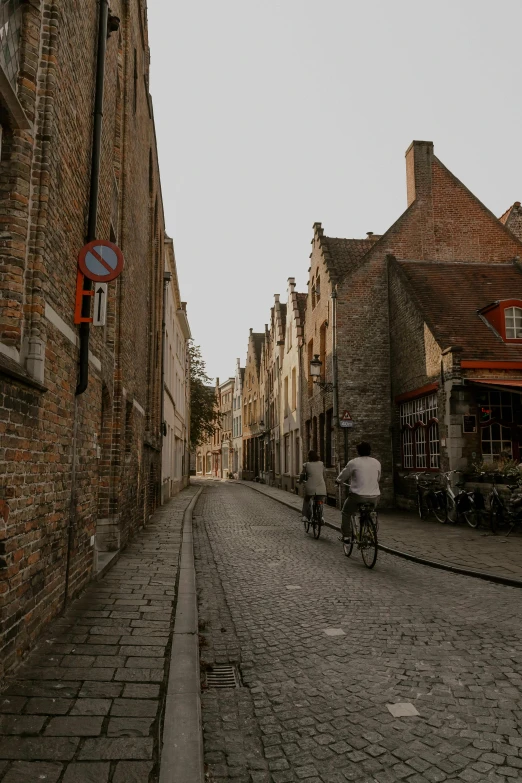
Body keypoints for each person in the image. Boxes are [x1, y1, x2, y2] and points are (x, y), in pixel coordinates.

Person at [336, 442, 381, 541]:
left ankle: (347, 536)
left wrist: (338, 481)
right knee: (369, 511)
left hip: (358, 495)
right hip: (374, 496)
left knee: (346, 513)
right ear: (370, 451)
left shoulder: (354, 462)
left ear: (358, 451)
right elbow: (378, 478)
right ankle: (370, 530)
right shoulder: (377, 462)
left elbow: (343, 475)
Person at [300, 450, 327, 523]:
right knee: (320, 500)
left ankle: (305, 516)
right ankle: (321, 517)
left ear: (309, 457)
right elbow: (324, 475)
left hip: (310, 487)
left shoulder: (306, 465)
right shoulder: (321, 464)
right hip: (321, 486)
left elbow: (302, 475)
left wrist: (300, 481)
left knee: (307, 498)